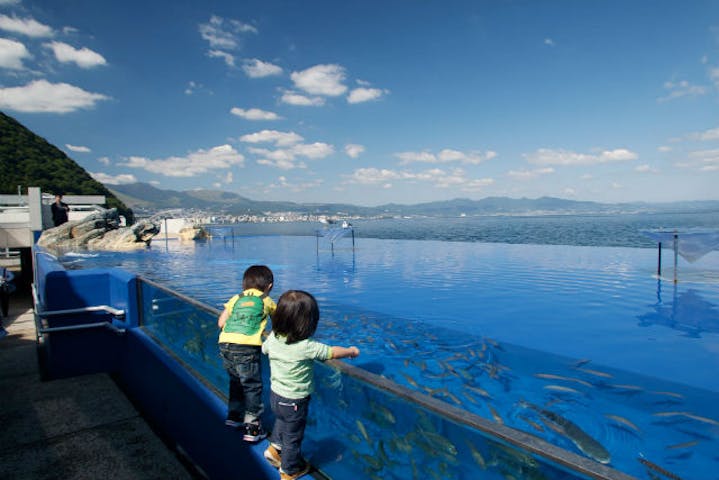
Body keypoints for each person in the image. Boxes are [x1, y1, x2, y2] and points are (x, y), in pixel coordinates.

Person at [262, 290, 360, 480]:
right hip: (294, 401)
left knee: (281, 422)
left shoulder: (274, 338)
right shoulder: (306, 346)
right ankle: (289, 471)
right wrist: (351, 351)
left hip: (275, 395)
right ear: (308, 323)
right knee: (293, 437)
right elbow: (332, 352)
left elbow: (265, 349)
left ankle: (274, 450)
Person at [217, 265, 276, 442]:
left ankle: (234, 417)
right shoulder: (267, 300)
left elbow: (221, 322)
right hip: (247, 348)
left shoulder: (236, 298)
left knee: (236, 382)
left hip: (225, 344)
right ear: (270, 286)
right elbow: (281, 324)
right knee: (252, 387)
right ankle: (253, 428)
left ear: (244, 284)